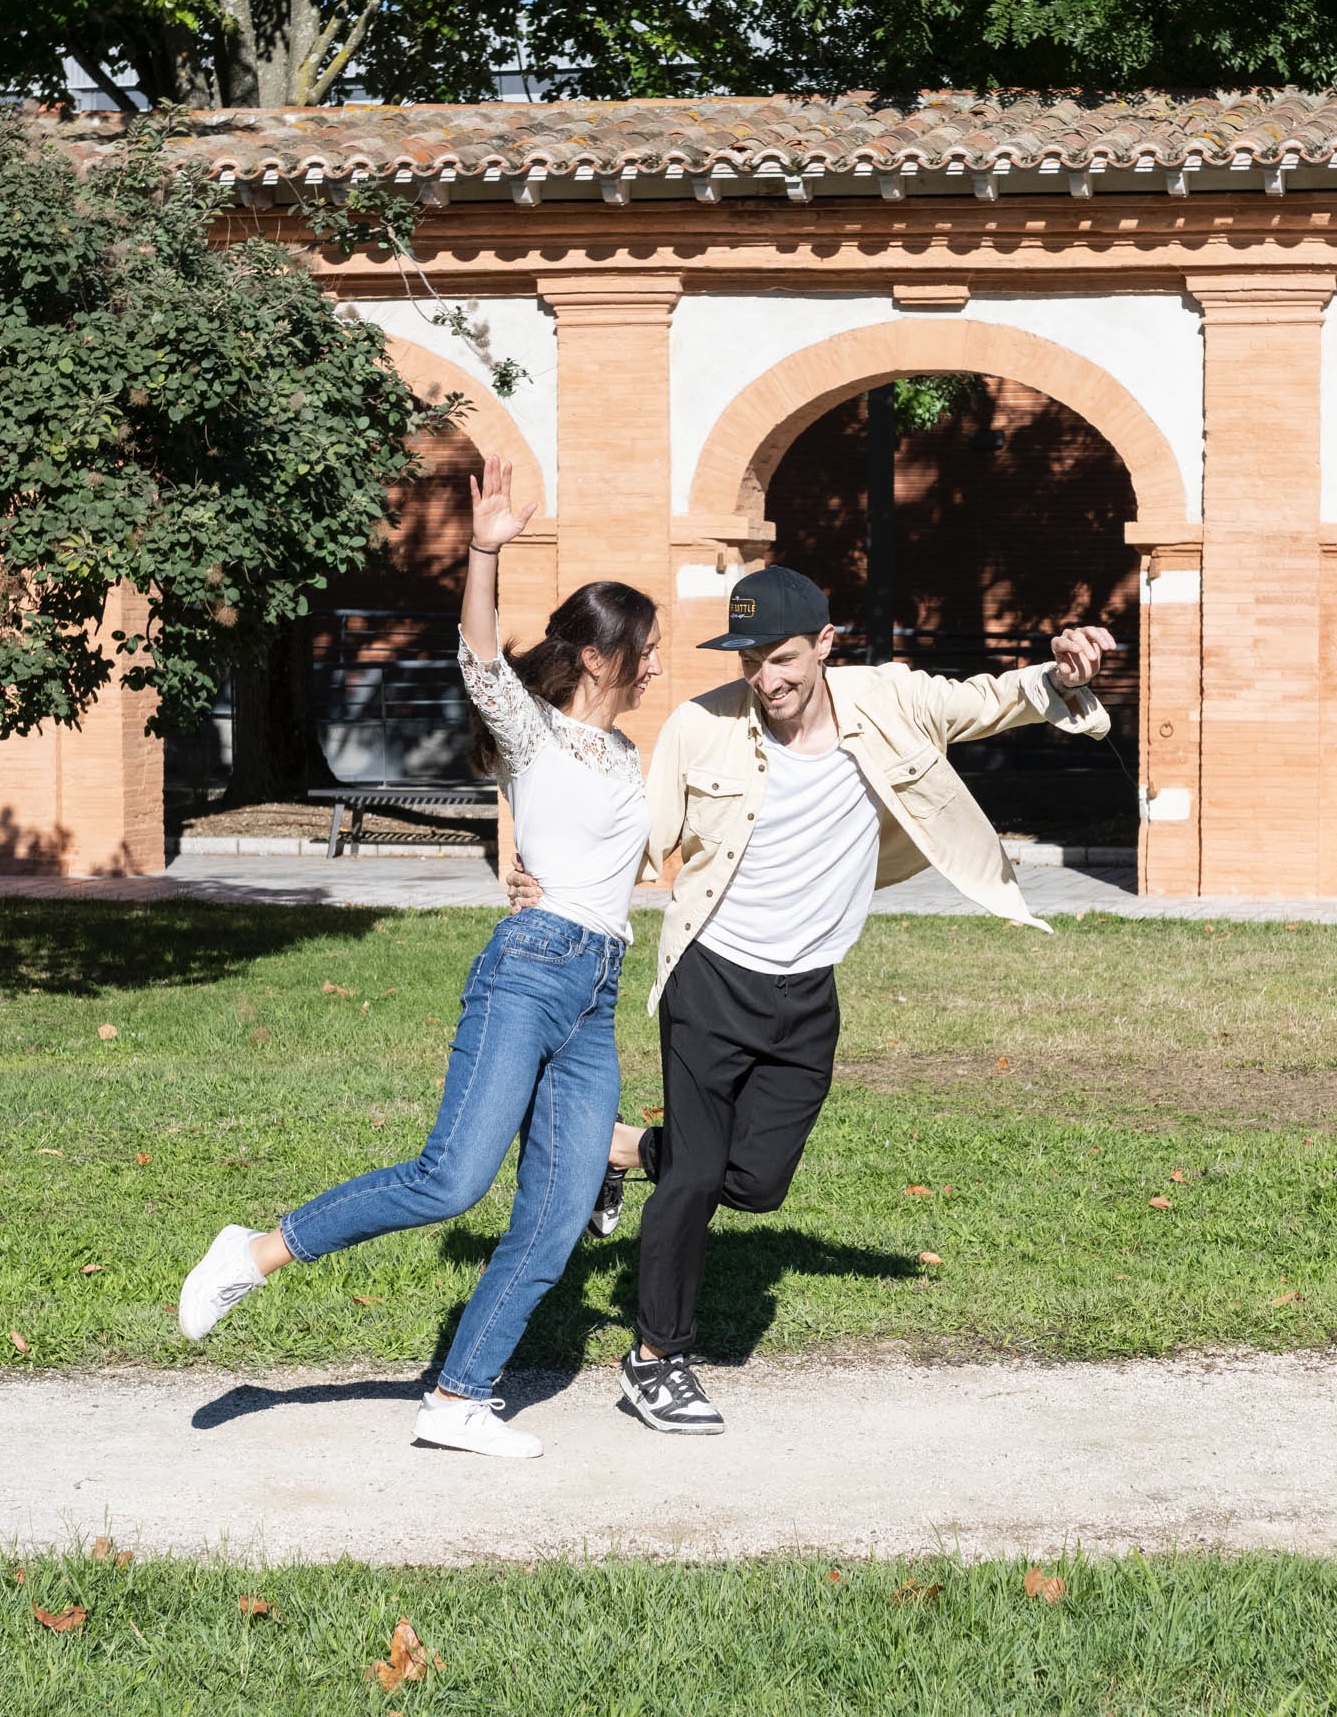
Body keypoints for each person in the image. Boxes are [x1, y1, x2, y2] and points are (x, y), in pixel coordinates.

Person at [512, 563, 1112, 1435]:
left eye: (784, 657)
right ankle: (655, 1359)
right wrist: (548, 879)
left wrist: (1058, 675)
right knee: (692, 1180)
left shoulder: (888, 700)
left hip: (807, 990)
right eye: (751, 659)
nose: (767, 678)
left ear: (825, 644)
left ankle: (624, 1149)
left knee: (754, 1185)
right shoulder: (702, 724)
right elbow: (633, 833)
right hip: (710, 977)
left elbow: (990, 698)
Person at [177, 456, 662, 1459]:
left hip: (597, 984)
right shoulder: (537, 733)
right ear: (599, 656)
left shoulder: (624, 757)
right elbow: (482, 657)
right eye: (645, 651)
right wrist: (484, 550)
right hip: (530, 968)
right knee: (451, 1180)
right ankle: (256, 1249)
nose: (656, 666)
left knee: (559, 1209)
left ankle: (455, 1399)